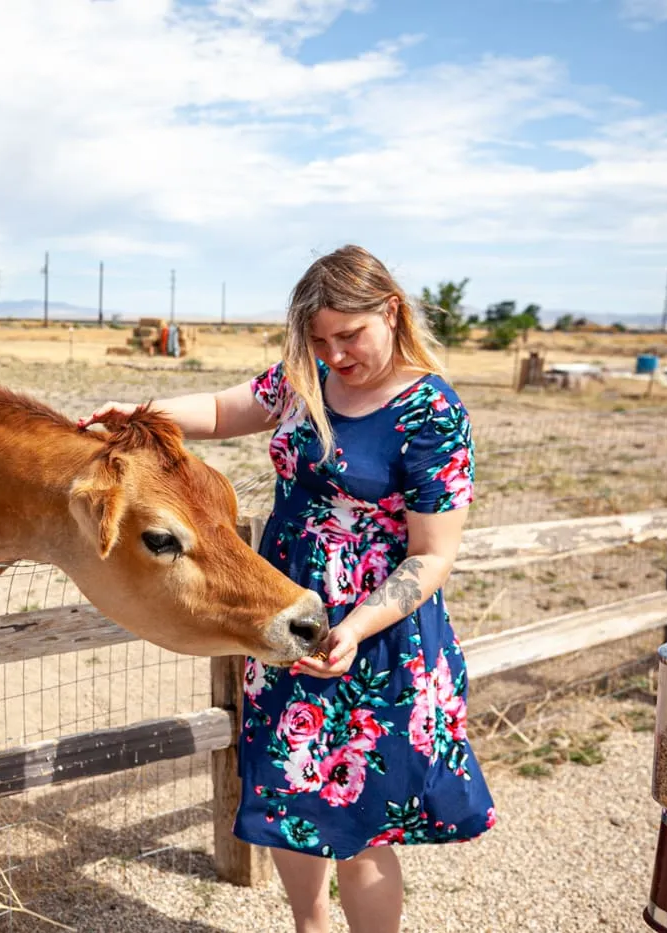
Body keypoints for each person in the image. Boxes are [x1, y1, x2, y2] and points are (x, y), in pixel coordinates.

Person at [78, 245, 495, 933]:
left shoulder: (432, 412)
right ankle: (309, 927)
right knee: (291, 801)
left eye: (349, 335)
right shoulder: (304, 380)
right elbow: (220, 407)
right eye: (320, 339)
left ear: (390, 310)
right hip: (282, 615)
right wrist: (140, 413)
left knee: (363, 827)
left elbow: (432, 556)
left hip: (376, 638)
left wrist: (354, 629)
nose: (335, 354)